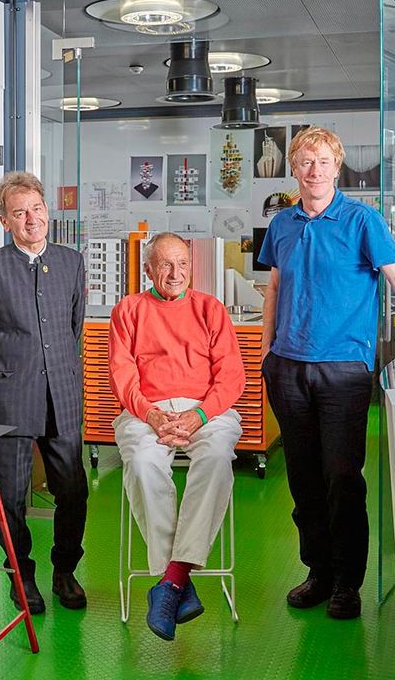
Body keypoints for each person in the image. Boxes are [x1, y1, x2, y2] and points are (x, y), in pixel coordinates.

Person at [258, 126, 395, 620]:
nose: (313, 170)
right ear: (293, 169)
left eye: (322, 161)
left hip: (344, 371)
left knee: (342, 478)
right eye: (304, 161)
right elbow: (274, 288)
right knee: (303, 481)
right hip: (289, 368)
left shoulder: (363, 220)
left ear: (337, 167)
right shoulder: (282, 225)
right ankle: (317, 572)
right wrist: (266, 355)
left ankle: (347, 582)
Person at [0, 171, 89, 614]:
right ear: (5, 220)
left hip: (64, 397)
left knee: (73, 491)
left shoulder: (71, 262)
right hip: (11, 400)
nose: (31, 219)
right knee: (11, 496)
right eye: (20, 213)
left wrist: (56, 371)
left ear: (47, 213)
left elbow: (74, 327)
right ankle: (22, 576)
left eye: (37, 209)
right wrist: (6, 376)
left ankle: (65, 570)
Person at [109, 232, 245, 641]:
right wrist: (151, 414)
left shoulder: (210, 309)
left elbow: (231, 375)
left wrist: (199, 414)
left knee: (218, 457)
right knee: (142, 462)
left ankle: (170, 581)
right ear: (148, 269)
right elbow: (122, 375)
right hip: (145, 410)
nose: (175, 273)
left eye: (183, 264)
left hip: (206, 409)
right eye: (165, 264)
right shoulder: (128, 310)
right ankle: (177, 582)